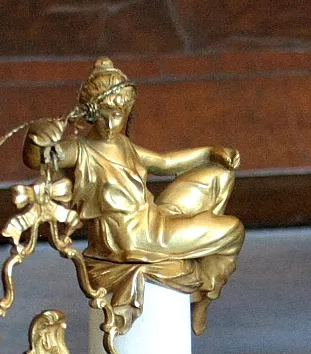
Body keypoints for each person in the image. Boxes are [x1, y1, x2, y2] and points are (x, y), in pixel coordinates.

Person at [21, 57, 245, 334]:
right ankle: (208, 290)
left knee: (219, 174)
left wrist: (210, 153)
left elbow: (165, 163)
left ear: (127, 111)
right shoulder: (79, 150)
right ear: (89, 114)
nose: (110, 123)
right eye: (102, 115)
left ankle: (203, 287)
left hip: (152, 217)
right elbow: (41, 159)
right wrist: (35, 138)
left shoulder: (123, 144)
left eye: (118, 115)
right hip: (133, 238)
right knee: (233, 229)